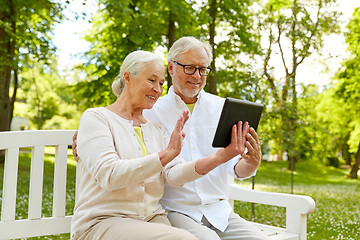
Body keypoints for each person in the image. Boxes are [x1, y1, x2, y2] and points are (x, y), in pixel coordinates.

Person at [71, 50, 251, 240]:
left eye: (161, 84)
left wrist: (220, 157)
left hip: (151, 220)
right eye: (151, 80)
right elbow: (110, 175)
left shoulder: (156, 129)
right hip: (104, 221)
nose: (158, 89)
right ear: (128, 77)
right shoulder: (97, 118)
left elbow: (174, 174)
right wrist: (166, 155)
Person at [142, 36, 270, 240]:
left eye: (203, 69)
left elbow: (235, 168)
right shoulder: (151, 110)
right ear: (171, 68)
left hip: (219, 211)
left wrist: (251, 162)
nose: (197, 75)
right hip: (174, 211)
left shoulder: (221, 108)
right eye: (190, 68)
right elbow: (117, 120)